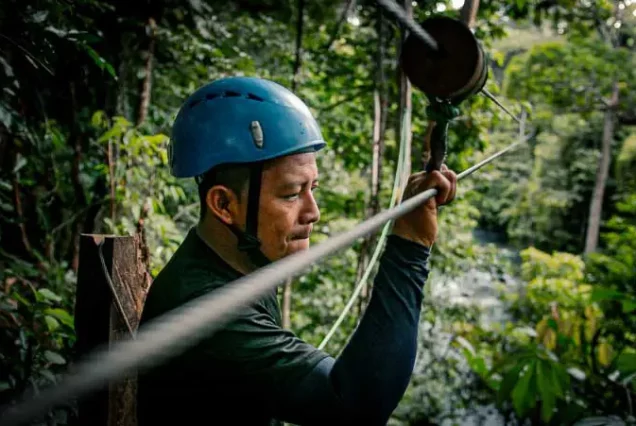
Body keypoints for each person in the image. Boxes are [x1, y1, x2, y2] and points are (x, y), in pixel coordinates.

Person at [136, 76, 457, 426]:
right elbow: (357, 404)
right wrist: (409, 247)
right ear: (224, 204)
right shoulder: (206, 314)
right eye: (291, 194)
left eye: (312, 188)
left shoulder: (229, 263)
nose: (313, 212)